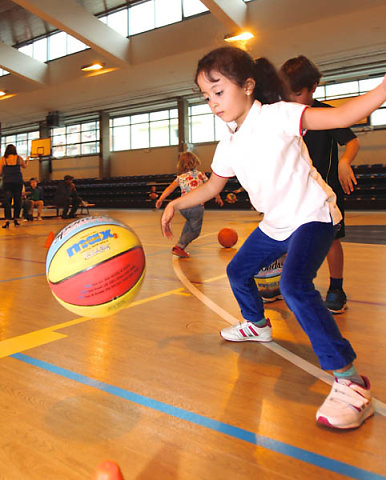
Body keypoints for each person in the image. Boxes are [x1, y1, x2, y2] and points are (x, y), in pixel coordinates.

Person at [160, 46, 386, 429]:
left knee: (294, 286)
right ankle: (257, 324)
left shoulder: (280, 115)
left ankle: (350, 382)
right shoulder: (228, 144)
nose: (212, 103)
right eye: (206, 96)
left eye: (218, 91)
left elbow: (347, 115)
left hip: (312, 215)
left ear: (248, 86)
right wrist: (176, 204)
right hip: (275, 223)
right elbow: (213, 187)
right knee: (237, 271)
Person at [280, 56, 360, 314]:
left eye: (298, 93)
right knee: (289, 238)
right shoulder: (285, 116)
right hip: (296, 191)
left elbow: (352, 141)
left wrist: (345, 161)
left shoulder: (325, 114)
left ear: (314, 86)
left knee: (331, 241)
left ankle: (337, 288)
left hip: (326, 194)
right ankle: (278, 283)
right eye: (288, 94)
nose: (293, 99)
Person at [156, 151, 223, 257]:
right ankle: (179, 246)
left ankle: (180, 246)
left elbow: (169, 188)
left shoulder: (180, 177)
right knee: (195, 231)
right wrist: (218, 197)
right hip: (196, 207)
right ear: (195, 162)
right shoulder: (201, 175)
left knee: (189, 224)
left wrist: (160, 199)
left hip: (183, 207)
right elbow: (212, 187)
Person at [0, 144, 29, 228]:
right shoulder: (18, 158)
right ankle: (16, 219)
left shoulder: (3, 159)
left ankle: (7, 220)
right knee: (17, 201)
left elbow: (0, 172)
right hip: (17, 182)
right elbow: (25, 166)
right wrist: (27, 161)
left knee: (7, 202)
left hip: (7, 182)